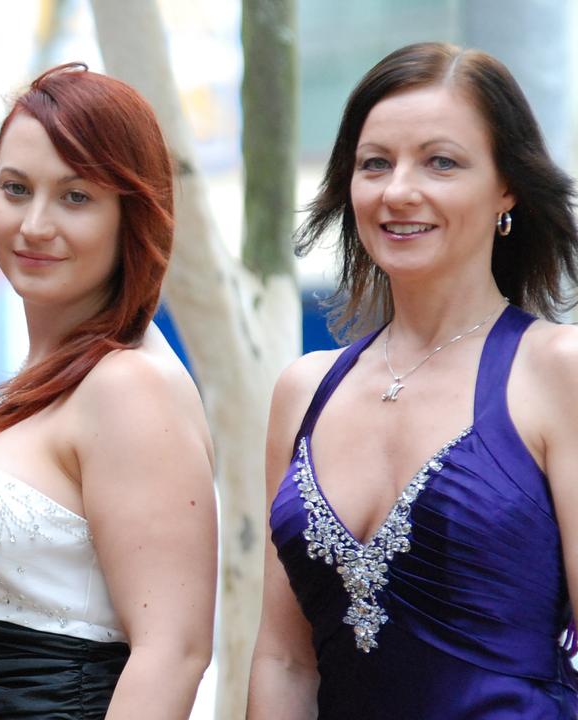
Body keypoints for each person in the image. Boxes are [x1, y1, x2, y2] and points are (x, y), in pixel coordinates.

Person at [248, 42, 578, 718]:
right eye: (375, 164)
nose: (398, 191)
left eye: (441, 162)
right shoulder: (304, 391)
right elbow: (284, 660)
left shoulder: (557, 371)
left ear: (507, 187)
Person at [0, 63, 217, 719]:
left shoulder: (129, 385)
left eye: (75, 197)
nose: (34, 225)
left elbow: (174, 651)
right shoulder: (46, 378)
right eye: (16, 188)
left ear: (133, 214)